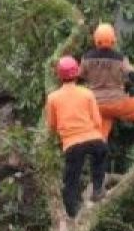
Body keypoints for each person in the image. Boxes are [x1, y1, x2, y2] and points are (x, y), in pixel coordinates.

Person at [46, 55, 108, 218]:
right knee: (99, 160)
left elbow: (52, 125)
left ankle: (71, 211)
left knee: (72, 177)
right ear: (77, 72)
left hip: (73, 144)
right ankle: (97, 189)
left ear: (59, 75)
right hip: (93, 137)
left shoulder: (53, 98)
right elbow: (97, 120)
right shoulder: (87, 93)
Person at [80, 23, 134, 146]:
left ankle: (98, 162)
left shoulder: (86, 58)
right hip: (117, 103)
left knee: (101, 136)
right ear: (113, 40)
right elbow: (133, 75)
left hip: (96, 106)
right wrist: (127, 82)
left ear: (96, 39)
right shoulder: (120, 59)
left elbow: (80, 76)